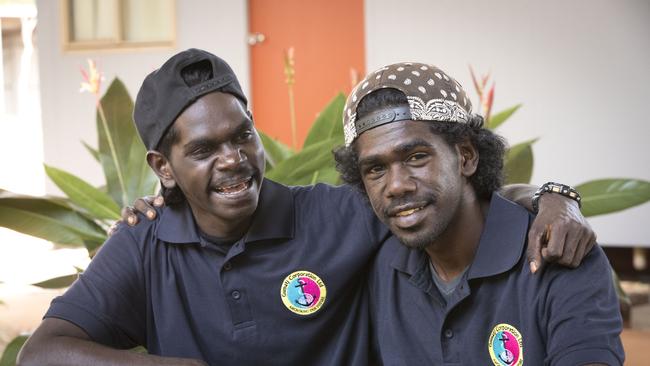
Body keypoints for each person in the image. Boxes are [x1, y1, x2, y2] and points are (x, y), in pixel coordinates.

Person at [18, 49, 594, 366]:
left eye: (242, 135)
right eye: (202, 149)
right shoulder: (144, 242)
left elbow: (446, 197)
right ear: (163, 168)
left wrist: (555, 200)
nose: (233, 159)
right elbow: (41, 355)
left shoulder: (338, 217)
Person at [333, 62, 624, 365]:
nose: (396, 186)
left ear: (466, 157)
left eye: (417, 157)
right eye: (376, 169)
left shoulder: (558, 254)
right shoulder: (381, 265)